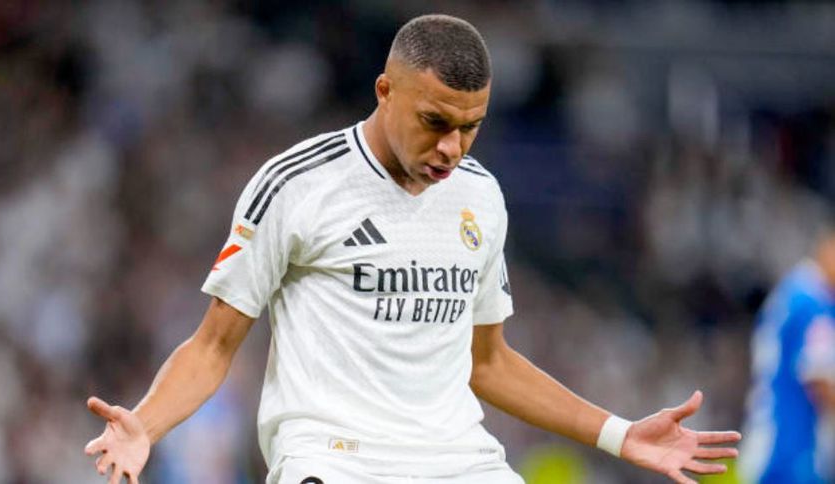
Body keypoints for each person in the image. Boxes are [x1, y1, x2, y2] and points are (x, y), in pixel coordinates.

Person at [85, 14, 740, 484]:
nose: (452, 148)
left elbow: (488, 362)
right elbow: (212, 346)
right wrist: (146, 424)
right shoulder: (296, 185)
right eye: (435, 122)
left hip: (459, 460)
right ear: (385, 91)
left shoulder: (480, 195)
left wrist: (620, 434)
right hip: (335, 459)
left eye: (471, 127)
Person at [740, 230, 835, 483]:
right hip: (788, 447)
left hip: (770, 434)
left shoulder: (794, 290)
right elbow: (821, 382)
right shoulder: (813, 303)